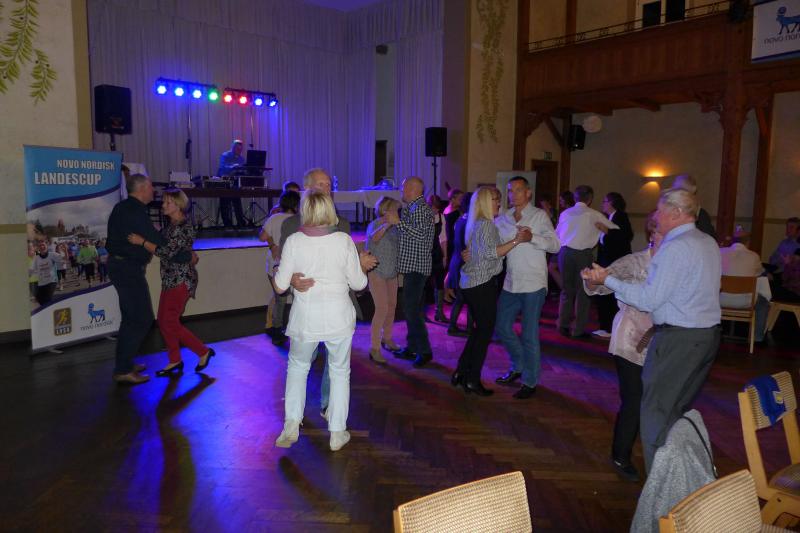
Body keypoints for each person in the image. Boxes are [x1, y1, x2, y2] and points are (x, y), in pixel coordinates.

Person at [583, 188, 721, 472]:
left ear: (676, 213)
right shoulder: (706, 241)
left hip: (677, 339)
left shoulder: (676, 247)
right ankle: (664, 471)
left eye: (660, 211)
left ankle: (661, 483)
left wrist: (608, 281)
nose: (657, 218)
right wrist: (597, 280)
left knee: (658, 413)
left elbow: (649, 299)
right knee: (664, 407)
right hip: (683, 338)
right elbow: (597, 286)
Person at [273, 191, 367, 452]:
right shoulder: (343, 240)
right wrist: (359, 267)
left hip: (306, 318)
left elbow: (280, 286)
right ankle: (337, 432)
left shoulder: (294, 241)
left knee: (297, 368)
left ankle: (291, 425)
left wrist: (286, 275)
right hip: (339, 318)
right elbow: (359, 283)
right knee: (339, 372)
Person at [279, 168, 377, 418]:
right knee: (305, 360)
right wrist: (292, 280)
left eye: (329, 186)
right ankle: (301, 409)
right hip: (308, 305)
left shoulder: (341, 224)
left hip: (336, 303)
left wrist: (358, 261)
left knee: (334, 365)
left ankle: (327, 405)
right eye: (321, 185)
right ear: (307, 189)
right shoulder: (291, 224)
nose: (327, 190)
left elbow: (343, 263)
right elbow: (282, 265)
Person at [583, 211, 662, 482]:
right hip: (630, 337)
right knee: (634, 398)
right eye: (662, 234)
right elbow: (601, 285)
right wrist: (593, 278)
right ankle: (621, 455)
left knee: (656, 398)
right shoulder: (635, 261)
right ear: (652, 234)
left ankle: (658, 452)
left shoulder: (676, 264)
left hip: (662, 341)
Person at [106, 174, 195, 385]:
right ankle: (123, 369)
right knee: (142, 318)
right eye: (151, 187)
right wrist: (187, 256)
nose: (154, 192)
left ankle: (125, 363)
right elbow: (161, 244)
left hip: (121, 267)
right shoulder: (135, 211)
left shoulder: (124, 207)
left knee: (131, 317)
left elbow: (157, 241)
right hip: (127, 269)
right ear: (142, 189)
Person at [453, 187, 531, 396]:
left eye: (499, 199)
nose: (499, 203)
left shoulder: (477, 223)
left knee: (479, 331)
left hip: (472, 283)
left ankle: (461, 371)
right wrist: (517, 240)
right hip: (481, 284)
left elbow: (479, 252)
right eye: (495, 199)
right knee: (484, 332)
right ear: (485, 202)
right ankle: (472, 380)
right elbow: (491, 253)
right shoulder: (486, 225)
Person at [128, 189, 214, 376]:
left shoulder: (183, 227)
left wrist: (142, 242)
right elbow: (166, 246)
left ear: (179, 205)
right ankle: (175, 359)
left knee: (169, 321)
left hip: (181, 279)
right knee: (164, 320)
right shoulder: (170, 226)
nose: (163, 205)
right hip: (170, 278)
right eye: (164, 201)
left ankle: (202, 351)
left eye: (168, 202)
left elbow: (166, 252)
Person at [494, 177, 560, 399]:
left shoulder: (539, 216)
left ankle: (530, 381)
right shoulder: (502, 219)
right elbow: (495, 247)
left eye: (518, 190)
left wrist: (532, 237)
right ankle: (519, 365)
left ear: (529, 193)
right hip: (511, 282)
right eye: (510, 190)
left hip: (534, 283)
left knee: (529, 334)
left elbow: (555, 245)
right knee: (502, 327)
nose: (513, 194)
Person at [384, 177, 436, 368]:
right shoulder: (413, 208)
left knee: (411, 310)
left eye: (403, 187)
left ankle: (424, 351)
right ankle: (413, 347)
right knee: (412, 309)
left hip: (417, 267)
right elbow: (410, 235)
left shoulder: (420, 208)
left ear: (413, 189)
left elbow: (421, 236)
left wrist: (398, 222)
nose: (401, 191)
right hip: (412, 266)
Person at [555, 185, 619, 338]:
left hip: (564, 253)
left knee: (566, 290)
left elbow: (557, 234)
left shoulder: (565, 213)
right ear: (590, 199)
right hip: (583, 255)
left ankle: (563, 325)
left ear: (575, 198)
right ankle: (578, 330)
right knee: (583, 292)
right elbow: (616, 230)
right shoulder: (594, 214)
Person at [260, 190, 301, 344]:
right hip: (295, 265)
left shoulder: (274, 218)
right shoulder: (299, 220)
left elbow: (262, 237)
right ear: (297, 205)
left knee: (280, 301)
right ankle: (298, 330)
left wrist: (272, 243)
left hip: (274, 264)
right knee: (299, 299)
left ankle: (277, 331)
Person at [365, 196, 402, 364]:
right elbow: (374, 238)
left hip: (391, 272)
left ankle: (387, 338)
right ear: (385, 210)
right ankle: (374, 348)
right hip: (377, 272)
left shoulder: (396, 228)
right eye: (395, 209)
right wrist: (387, 224)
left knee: (392, 306)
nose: (397, 212)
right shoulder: (375, 224)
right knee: (382, 309)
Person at [593, 192, 634, 339]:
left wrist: (606, 230)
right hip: (607, 260)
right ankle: (605, 326)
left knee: (610, 294)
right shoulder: (608, 217)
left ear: (611, 203)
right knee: (604, 293)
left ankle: (609, 328)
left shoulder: (621, 216)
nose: (602, 204)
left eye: (605, 201)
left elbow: (625, 236)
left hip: (615, 261)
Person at [719, 227, 769, 343]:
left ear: (732, 241)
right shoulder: (753, 256)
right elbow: (760, 273)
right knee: (763, 302)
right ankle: (757, 337)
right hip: (746, 302)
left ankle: (714, 330)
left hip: (720, 300)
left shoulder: (721, 252)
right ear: (747, 242)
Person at [446, 191, 473, 338]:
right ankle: (466, 329)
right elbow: (467, 246)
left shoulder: (461, 219)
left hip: (457, 261)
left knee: (462, 298)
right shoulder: (470, 221)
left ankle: (458, 327)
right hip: (463, 263)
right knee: (466, 298)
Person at [671, 175, 717, 241]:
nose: (673, 191)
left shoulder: (701, 215)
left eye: (676, 189)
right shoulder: (671, 211)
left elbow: (708, 239)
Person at [217, 139, 247, 228]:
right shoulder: (225, 155)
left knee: (237, 201)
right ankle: (227, 224)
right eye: (238, 149)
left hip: (235, 182)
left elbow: (243, 171)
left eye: (240, 149)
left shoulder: (241, 158)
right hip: (224, 181)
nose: (239, 151)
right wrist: (233, 167)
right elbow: (222, 168)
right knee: (225, 202)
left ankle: (240, 222)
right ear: (233, 148)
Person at [427, 194, 448, 323]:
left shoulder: (441, 217)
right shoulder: (423, 217)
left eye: (437, 208)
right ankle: (421, 313)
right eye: (434, 208)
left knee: (440, 283)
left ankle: (439, 312)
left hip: (437, 253)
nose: (436, 211)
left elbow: (443, 238)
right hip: (425, 254)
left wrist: (445, 256)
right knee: (424, 284)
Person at [767, 217, 800, 286]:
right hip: (776, 269)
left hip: (787, 275)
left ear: (798, 230)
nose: (788, 230)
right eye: (787, 227)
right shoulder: (784, 242)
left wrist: (784, 260)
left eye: (791, 227)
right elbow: (772, 259)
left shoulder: (798, 246)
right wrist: (779, 259)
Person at [31, 240, 58, 305]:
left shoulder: (52, 254)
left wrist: (65, 250)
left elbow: (64, 259)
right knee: (41, 301)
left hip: (51, 281)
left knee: (47, 301)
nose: (42, 247)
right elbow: (32, 270)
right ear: (38, 248)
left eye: (43, 245)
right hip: (40, 282)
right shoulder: (36, 258)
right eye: (40, 246)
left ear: (47, 246)